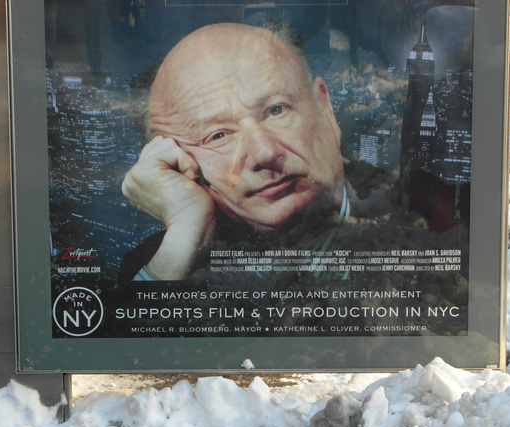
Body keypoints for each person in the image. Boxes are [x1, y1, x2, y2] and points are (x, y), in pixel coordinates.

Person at [120, 21, 353, 282]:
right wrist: (187, 235)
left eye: (277, 110)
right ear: (178, 167)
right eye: (218, 136)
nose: (264, 153)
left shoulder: (401, 203)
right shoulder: (161, 265)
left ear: (325, 108)